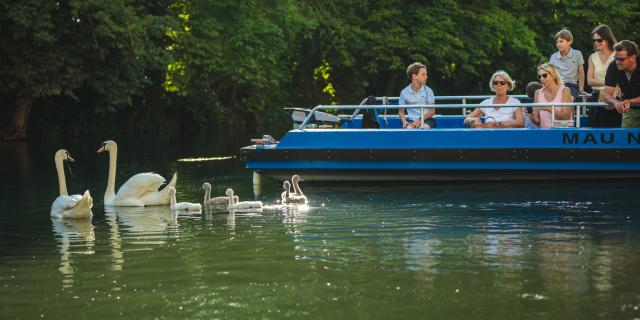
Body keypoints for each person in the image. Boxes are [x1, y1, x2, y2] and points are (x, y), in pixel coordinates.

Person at [586, 25, 621, 127]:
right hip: (596, 96)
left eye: (599, 40)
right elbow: (589, 81)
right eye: (594, 40)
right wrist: (610, 83)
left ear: (607, 40)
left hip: (615, 96)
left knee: (614, 130)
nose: (596, 43)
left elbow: (622, 79)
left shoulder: (617, 55)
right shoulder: (592, 57)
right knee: (594, 129)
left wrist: (612, 97)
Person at [601, 40, 640, 128]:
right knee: (625, 138)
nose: (617, 62)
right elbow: (607, 95)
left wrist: (630, 101)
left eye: (621, 59)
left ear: (632, 57)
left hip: (629, 104)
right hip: (630, 110)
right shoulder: (613, 66)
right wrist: (616, 103)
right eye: (616, 58)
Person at [531, 63, 574, 128]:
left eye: (544, 75)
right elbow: (538, 121)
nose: (541, 79)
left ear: (553, 75)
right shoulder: (538, 93)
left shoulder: (564, 90)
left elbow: (566, 117)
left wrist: (550, 109)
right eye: (539, 76)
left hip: (562, 132)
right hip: (545, 132)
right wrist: (529, 115)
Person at [549, 29, 585, 101]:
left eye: (561, 41)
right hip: (557, 85)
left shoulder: (577, 54)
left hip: (572, 86)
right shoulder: (553, 57)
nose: (558, 44)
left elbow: (581, 73)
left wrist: (581, 89)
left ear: (569, 41)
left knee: (573, 100)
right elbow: (550, 74)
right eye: (557, 42)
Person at [399, 62, 436, 128]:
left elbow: (432, 111)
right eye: (423, 74)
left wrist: (419, 120)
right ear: (414, 76)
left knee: (423, 127)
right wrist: (404, 122)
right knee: (409, 129)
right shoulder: (404, 92)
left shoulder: (428, 91)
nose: (426, 77)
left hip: (427, 120)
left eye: (426, 74)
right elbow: (401, 111)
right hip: (412, 121)